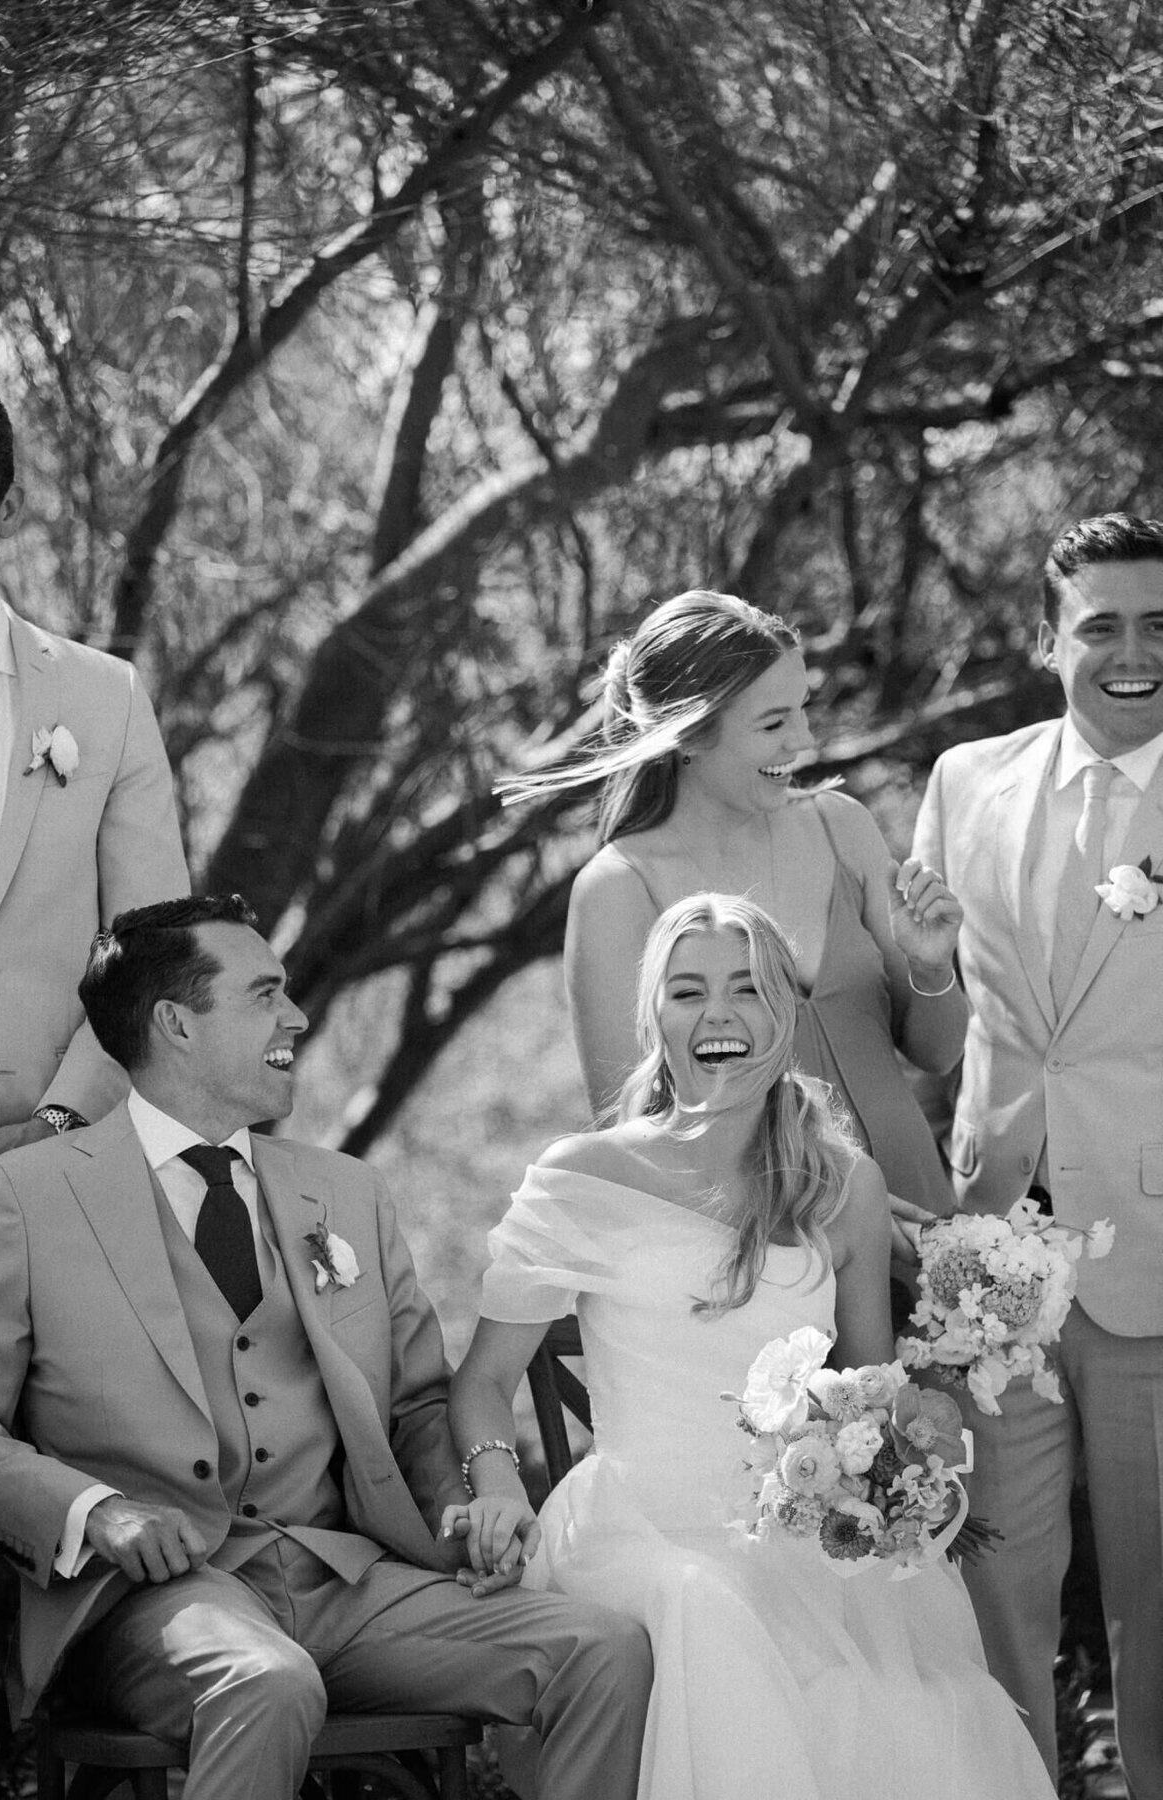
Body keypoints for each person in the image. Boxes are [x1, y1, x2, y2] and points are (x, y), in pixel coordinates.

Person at [0, 894, 650, 1800]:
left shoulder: (346, 1193)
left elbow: (417, 1404)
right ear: (174, 1022)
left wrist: (460, 1504)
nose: (298, 1015)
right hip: (153, 1603)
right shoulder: (24, 1196)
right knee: (266, 1683)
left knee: (601, 1651)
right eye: (264, 994)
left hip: (349, 1580)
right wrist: (98, 1512)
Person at [447, 893, 1054, 1800]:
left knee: (883, 1689)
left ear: (783, 1013)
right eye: (687, 992)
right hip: (636, 1529)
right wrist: (498, 1485)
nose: (717, 1014)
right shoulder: (584, 1174)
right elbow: (484, 1383)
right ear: (655, 1015)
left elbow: (868, 1391)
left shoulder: (842, 1182)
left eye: (746, 989)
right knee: (707, 1613)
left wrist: (906, 1466)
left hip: (799, 1526)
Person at [912, 511, 1163, 1798]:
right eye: (1103, 625)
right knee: (996, 1580)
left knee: (1155, 1598)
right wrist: (916, 958)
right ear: (1047, 637)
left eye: (1159, 625)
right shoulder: (966, 782)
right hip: (991, 1244)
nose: (1136, 652)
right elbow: (926, 1013)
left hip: (1158, 1249)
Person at [502, 590, 965, 1220]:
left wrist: (933, 970)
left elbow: (938, 1053)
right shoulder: (618, 888)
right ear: (688, 735)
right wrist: (847, 1210)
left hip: (928, 1222)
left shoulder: (842, 827)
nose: (802, 741)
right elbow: (635, 1139)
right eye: (773, 724)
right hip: (768, 1252)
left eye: (802, 709)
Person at [0, 378, 188, 1165]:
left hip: (69, 1166)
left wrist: (61, 1121)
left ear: (9, 511)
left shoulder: (105, 698)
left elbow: (153, 947)